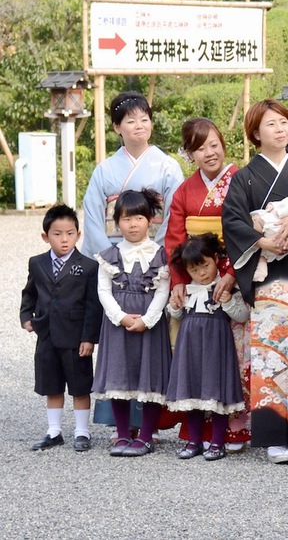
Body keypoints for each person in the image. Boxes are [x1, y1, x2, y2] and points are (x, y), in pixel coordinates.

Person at [222, 100, 288, 466]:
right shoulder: (245, 177)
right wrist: (261, 242)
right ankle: (273, 435)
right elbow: (233, 221)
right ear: (255, 133)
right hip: (266, 277)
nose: (280, 130)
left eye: (284, 123)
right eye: (270, 124)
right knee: (270, 356)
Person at [162, 116, 248, 451]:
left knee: (236, 356)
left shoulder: (240, 180)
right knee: (197, 359)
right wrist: (181, 279)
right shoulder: (185, 191)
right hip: (198, 277)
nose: (209, 153)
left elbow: (243, 230)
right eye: (200, 148)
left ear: (223, 144)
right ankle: (196, 431)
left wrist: (229, 273)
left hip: (232, 275)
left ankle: (236, 428)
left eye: (214, 144)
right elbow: (175, 240)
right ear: (189, 154)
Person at [93, 188, 172, 458]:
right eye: (126, 219)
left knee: (149, 377)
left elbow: (163, 291)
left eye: (138, 217)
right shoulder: (108, 256)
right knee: (119, 375)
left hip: (151, 325)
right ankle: (123, 434)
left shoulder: (161, 255)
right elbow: (103, 291)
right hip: (118, 326)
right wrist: (122, 317)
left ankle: (147, 436)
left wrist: (148, 319)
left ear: (150, 220)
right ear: (117, 223)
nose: (133, 224)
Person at [21, 204, 101, 453]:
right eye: (57, 233)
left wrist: (89, 337)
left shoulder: (88, 266)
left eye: (70, 233)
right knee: (51, 384)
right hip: (46, 333)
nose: (64, 239)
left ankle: (81, 431)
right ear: (46, 236)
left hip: (76, 337)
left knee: (79, 385)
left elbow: (92, 305)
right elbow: (29, 292)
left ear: (78, 234)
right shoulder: (37, 263)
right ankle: (54, 431)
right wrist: (26, 316)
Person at [164, 234, 248, 461]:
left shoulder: (222, 286)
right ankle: (194, 441)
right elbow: (177, 315)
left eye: (205, 265)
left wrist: (228, 300)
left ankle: (218, 442)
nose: (201, 273)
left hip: (216, 345)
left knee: (216, 392)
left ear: (216, 259)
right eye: (194, 270)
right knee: (192, 391)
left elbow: (241, 315)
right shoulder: (187, 289)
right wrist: (174, 306)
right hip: (189, 346)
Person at [80, 91, 184, 259]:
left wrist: (157, 255)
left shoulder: (168, 167)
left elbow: (175, 215)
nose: (139, 126)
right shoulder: (104, 169)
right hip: (113, 252)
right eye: (131, 121)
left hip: (155, 253)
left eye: (144, 120)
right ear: (116, 127)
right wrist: (111, 257)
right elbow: (93, 218)